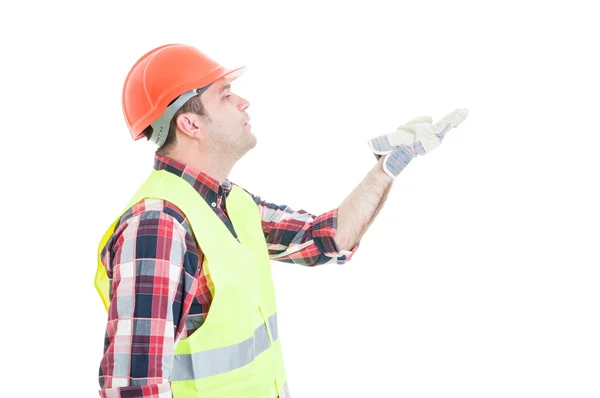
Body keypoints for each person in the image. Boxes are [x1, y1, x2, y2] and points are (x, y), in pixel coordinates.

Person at [94, 43, 468, 398]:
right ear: (191, 124)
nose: (243, 102)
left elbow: (325, 240)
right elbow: (132, 387)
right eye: (225, 95)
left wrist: (387, 168)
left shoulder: (231, 202)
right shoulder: (157, 226)